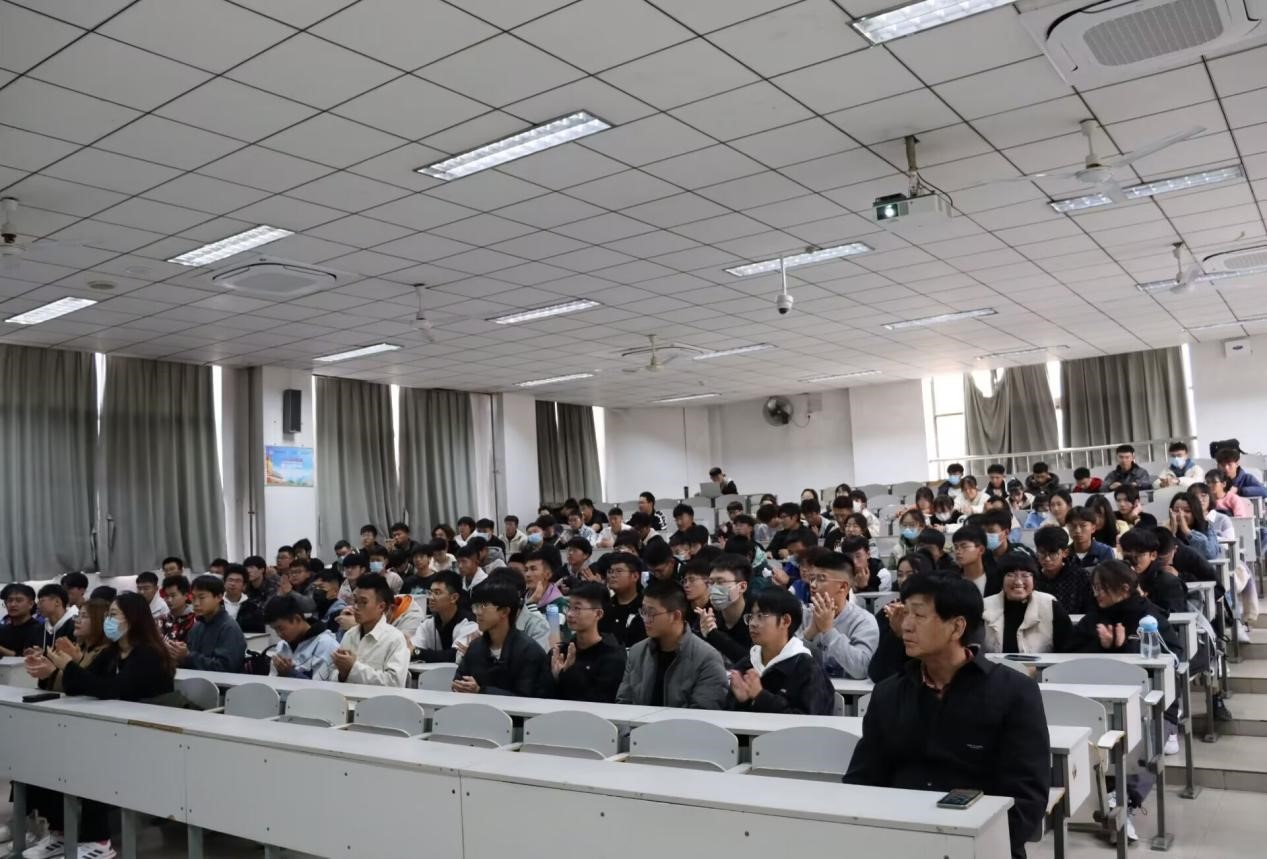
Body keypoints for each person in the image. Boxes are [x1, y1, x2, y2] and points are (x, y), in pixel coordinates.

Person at [844, 573, 1049, 859]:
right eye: (905, 613)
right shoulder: (888, 693)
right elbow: (862, 780)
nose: (906, 625)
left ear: (957, 627)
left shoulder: (1014, 692)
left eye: (919, 615)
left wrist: (976, 847)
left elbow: (1027, 798)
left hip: (981, 846)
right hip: (898, 842)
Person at [21, 592, 175, 859]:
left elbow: (113, 690)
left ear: (133, 620)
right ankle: (60, 832)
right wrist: (58, 668)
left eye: (113, 615)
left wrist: (70, 667)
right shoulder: (113, 652)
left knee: (90, 760)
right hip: (112, 729)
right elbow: (82, 685)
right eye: (106, 616)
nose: (107, 622)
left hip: (146, 733)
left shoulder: (147, 654)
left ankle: (99, 841)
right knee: (46, 757)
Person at [616, 578, 727, 708]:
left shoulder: (706, 658)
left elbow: (703, 713)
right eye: (643, 611)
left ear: (675, 616)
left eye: (651, 613)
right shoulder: (637, 652)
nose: (645, 619)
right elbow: (623, 704)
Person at [727, 586, 835, 715]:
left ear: (785, 621)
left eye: (761, 616)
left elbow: (809, 722)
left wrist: (760, 696)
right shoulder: (746, 666)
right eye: (751, 616)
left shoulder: (807, 669)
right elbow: (727, 717)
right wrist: (743, 701)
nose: (753, 623)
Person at [453, 579, 554, 697]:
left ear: (505, 611)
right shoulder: (475, 647)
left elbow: (525, 699)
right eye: (476, 606)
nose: (477, 612)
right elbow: (458, 681)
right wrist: (461, 687)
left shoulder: (529, 651)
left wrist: (481, 691)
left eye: (483, 606)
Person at [1067, 560, 1181, 656]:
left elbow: (1173, 654)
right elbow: (1070, 653)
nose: (1096, 594)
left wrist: (1124, 646)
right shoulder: (1093, 619)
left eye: (1100, 588)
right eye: (1095, 588)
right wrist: (1103, 646)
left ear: (1125, 588)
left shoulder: (1148, 617)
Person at [797, 551, 879, 678]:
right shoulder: (805, 615)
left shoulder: (863, 621)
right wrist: (811, 632)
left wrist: (828, 630)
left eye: (821, 579)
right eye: (812, 578)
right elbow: (790, 664)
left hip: (848, 691)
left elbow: (862, 669)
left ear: (843, 587)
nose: (812, 585)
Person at [551, 582, 626, 704]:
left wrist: (568, 675)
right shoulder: (560, 652)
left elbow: (601, 701)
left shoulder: (612, 657)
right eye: (569, 607)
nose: (569, 614)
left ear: (598, 614)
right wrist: (555, 678)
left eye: (577, 608)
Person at [331, 573, 410, 687]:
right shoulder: (349, 634)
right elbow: (333, 675)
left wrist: (353, 668)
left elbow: (395, 683)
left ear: (381, 607)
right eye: (355, 601)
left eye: (363, 602)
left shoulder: (395, 639)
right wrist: (342, 675)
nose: (356, 607)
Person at [982, 554, 1072, 653]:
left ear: (1034, 579)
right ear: (1001, 579)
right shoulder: (985, 606)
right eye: (1011, 575)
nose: (1018, 582)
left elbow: (1067, 648)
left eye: (1025, 575)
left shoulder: (1049, 605)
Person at [867, 553, 935, 682]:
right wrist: (895, 633)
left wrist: (902, 633)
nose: (903, 580)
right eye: (899, 575)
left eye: (910, 574)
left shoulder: (934, 612)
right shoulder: (889, 611)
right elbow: (877, 672)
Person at [29, 598, 109, 693]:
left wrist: (74, 663)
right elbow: (65, 686)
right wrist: (49, 672)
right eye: (78, 615)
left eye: (84, 616)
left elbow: (90, 686)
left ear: (100, 621)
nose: (77, 621)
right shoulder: (78, 647)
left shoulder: (107, 652)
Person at [169, 575, 246, 673]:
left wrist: (187, 656)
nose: (196, 603)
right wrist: (177, 652)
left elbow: (225, 667)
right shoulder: (197, 626)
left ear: (219, 597)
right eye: (193, 598)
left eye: (202, 597)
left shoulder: (229, 628)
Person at [695, 554, 752, 664]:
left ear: (742, 587)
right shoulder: (707, 614)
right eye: (711, 583)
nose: (713, 588)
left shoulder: (756, 618)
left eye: (720, 582)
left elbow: (753, 662)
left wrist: (714, 635)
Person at [266, 593, 339, 680]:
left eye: (281, 628)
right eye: (275, 630)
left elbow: (322, 687)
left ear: (297, 619)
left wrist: (290, 673)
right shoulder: (282, 646)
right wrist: (281, 674)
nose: (279, 634)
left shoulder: (327, 645)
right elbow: (271, 682)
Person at [411, 570, 478, 663]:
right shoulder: (428, 624)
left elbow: (455, 655)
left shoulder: (470, 624)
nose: (431, 598)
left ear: (454, 598)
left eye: (437, 593)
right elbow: (412, 649)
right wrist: (414, 651)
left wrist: (418, 652)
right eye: (430, 592)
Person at [1119, 528, 1188, 614]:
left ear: (1153, 555)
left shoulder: (1169, 583)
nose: (1133, 561)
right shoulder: (1120, 577)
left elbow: (1173, 617)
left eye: (1138, 556)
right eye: (1127, 556)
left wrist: (1142, 599)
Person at [1033, 525, 1094, 614]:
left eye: (1053, 553)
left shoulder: (1081, 577)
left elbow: (1090, 610)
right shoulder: (1032, 576)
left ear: (1065, 553)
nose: (1047, 559)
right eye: (1042, 553)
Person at [602, 554, 646, 648]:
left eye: (619, 571)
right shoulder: (605, 607)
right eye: (610, 571)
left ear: (635, 576)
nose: (613, 575)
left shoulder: (645, 607)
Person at [1167, 491, 1219, 559]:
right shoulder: (1165, 529)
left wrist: (1188, 532)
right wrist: (1172, 534)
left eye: (1187, 511)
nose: (1181, 515)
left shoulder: (1207, 527)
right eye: (1176, 510)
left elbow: (1210, 554)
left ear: (1196, 512)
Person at [952, 524, 1000, 597]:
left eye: (964, 546)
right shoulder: (952, 581)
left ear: (981, 550)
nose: (958, 551)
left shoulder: (996, 579)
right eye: (956, 547)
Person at [0, 584, 44, 657]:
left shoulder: (39, 630)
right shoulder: (2, 630)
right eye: (9, 600)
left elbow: (28, 658)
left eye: (19, 600)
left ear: (31, 604)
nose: (13, 604)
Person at [222, 564, 265, 633]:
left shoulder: (253, 608)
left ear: (244, 585)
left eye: (237, 581)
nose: (233, 584)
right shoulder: (216, 604)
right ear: (224, 583)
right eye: (230, 580)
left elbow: (259, 633)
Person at [36, 584, 77, 649]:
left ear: (57, 602)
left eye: (41, 601)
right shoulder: (41, 627)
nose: (38, 606)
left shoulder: (76, 625)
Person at [159, 575, 197, 643]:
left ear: (186, 596)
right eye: (166, 596)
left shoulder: (195, 619)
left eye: (173, 596)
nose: (169, 600)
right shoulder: (162, 619)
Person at [311, 567, 347, 634]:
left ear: (335, 591)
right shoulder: (318, 608)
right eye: (314, 587)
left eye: (321, 587)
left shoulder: (340, 612)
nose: (316, 590)